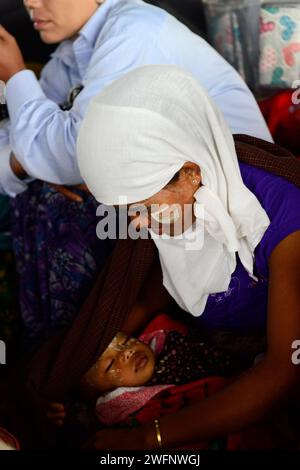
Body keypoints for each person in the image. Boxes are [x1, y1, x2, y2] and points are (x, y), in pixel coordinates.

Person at [0, 0, 271, 344]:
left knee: (61, 203)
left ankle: (81, 352)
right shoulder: (70, 58)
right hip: (156, 198)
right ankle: (66, 353)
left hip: (217, 193)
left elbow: (72, 156)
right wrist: (33, 162)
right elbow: (26, 150)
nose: (29, 3)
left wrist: (16, 77)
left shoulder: (134, 30)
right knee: (39, 194)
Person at [77, 65, 300, 450]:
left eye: (140, 207)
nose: (134, 224)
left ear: (191, 173)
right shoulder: (171, 211)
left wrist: (151, 437)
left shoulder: (283, 219)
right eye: (124, 210)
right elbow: (151, 294)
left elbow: (283, 372)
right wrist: (85, 368)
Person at [47, 325, 253, 427]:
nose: (126, 352)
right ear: (99, 395)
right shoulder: (121, 418)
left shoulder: (173, 345)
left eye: (127, 341)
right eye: (111, 364)